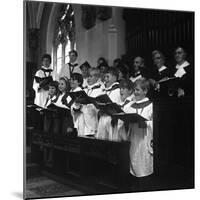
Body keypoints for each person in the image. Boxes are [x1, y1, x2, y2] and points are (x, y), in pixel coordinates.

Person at [123, 78, 153, 178]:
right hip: (133, 138)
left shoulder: (151, 106)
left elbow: (155, 124)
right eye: (134, 89)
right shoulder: (129, 105)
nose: (135, 92)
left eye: (138, 90)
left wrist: (144, 122)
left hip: (145, 139)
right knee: (133, 164)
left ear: (145, 91)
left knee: (144, 165)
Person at [71, 68, 105, 137]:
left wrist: (90, 103)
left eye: (91, 76)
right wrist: (77, 104)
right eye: (88, 76)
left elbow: (99, 107)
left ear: (97, 78)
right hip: (81, 120)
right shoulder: (84, 89)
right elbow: (76, 107)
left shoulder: (100, 90)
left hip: (91, 120)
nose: (88, 78)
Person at [96, 67, 122, 140]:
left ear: (114, 78)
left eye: (108, 77)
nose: (105, 79)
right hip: (103, 117)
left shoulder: (117, 90)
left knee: (110, 140)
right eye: (105, 77)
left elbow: (116, 106)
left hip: (111, 119)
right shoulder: (104, 89)